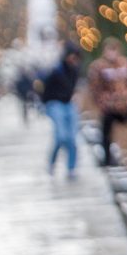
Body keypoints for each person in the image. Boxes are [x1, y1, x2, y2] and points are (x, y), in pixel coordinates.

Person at [87, 37, 127, 166]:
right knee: (106, 133)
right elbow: (94, 88)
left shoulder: (126, 64)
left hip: (126, 105)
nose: (112, 53)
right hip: (109, 106)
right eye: (109, 50)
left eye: (114, 50)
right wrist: (102, 102)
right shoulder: (98, 67)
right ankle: (107, 159)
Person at [40, 42, 82, 180]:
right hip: (55, 104)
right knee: (61, 137)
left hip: (68, 104)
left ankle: (71, 168)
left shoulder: (75, 70)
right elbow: (45, 89)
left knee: (72, 138)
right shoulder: (56, 71)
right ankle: (52, 163)